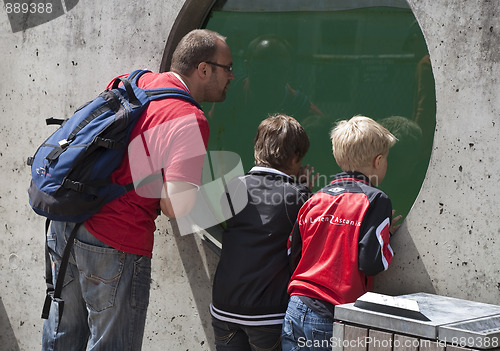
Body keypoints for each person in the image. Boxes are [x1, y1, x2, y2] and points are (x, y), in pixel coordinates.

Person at [42, 29, 234, 351]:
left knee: (62, 339)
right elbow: (175, 206)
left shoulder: (131, 81)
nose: (232, 76)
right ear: (203, 69)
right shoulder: (190, 117)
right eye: (227, 68)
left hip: (67, 222)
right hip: (116, 242)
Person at [281, 115, 402, 351]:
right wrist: (384, 238)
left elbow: (293, 253)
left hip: (295, 308)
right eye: (386, 159)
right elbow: (372, 262)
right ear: (378, 161)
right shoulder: (376, 200)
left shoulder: (315, 198)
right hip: (330, 315)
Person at [210, 114, 317, 351]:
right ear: (296, 157)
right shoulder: (297, 196)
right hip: (267, 313)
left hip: (224, 307)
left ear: (257, 148)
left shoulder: (234, 186)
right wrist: (305, 191)